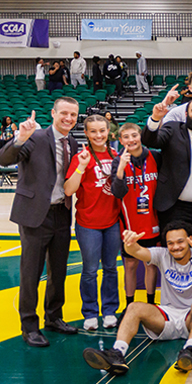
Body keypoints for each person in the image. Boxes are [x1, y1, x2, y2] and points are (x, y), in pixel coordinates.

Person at [82, 223, 192, 375]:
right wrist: (130, 244)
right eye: (170, 243)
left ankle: (189, 350)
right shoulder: (162, 254)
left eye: (180, 241)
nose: (175, 247)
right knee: (134, 307)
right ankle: (117, 354)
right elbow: (137, 251)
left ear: (189, 240)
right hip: (167, 317)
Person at [0, 98, 80, 347]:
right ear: (53, 113)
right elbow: (4, 159)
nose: (68, 119)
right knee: (31, 273)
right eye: (64, 113)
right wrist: (20, 138)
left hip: (61, 212)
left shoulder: (74, 142)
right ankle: (29, 326)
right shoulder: (35, 136)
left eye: (73, 115)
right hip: (35, 214)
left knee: (58, 271)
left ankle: (54, 317)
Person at [64, 114, 120, 331]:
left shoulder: (115, 154)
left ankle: (109, 311)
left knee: (111, 268)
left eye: (102, 131)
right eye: (93, 131)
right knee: (89, 270)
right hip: (88, 223)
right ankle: (89, 312)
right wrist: (81, 167)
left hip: (112, 222)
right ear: (86, 133)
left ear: (109, 132)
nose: (98, 135)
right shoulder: (81, 157)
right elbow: (69, 190)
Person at [142, 97, 192, 244]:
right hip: (175, 207)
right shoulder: (173, 129)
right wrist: (155, 119)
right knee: (174, 252)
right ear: (186, 114)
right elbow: (150, 141)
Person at [111, 123, 161, 308]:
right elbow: (117, 192)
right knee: (130, 266)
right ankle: (130, 305)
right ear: (120, 140)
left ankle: (150, 304)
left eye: (134, 135)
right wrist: (121, 169)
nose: (131, 140)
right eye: (126, 137)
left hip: (153, 221)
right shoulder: (119, 160)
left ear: (140, 136)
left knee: (151, 264)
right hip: (129, 223)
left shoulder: (155, 156)